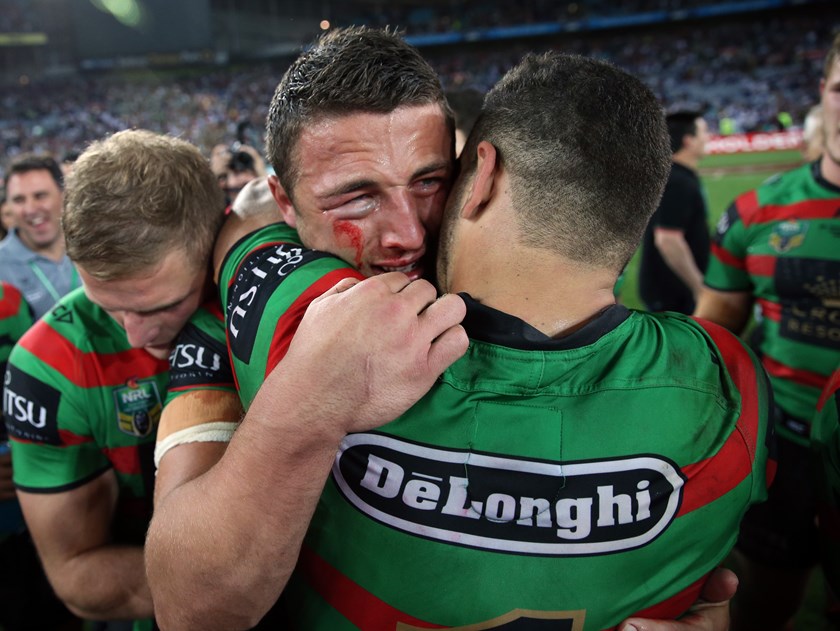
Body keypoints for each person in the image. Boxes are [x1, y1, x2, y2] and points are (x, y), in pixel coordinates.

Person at [146, 32, 770, 630]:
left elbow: (245, 236)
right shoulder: (723, 381)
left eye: (429, 181)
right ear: (286, 201)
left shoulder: (288, 310)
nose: (409, 235)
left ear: (477, 172)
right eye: (356, 198)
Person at [2, 130, 225, 631]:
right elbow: (79, 574)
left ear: (215, 244)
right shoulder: (47, 364)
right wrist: (230, 585)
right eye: (107, 306)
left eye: (163, 305)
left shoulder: (259, 289)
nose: (135, 332)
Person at [694, 32, 840, 631]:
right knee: (765, 603)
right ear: (822, 94)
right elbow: (714, 330)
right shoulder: (756, 211)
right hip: (786, 445)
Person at [639, 111, 711, 314]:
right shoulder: (678, 181)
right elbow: (668, 239)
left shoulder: (675, 176)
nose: (708, 138)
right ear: (689, 141)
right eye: (704, 132)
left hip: (670, 292)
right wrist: (699, 288)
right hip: (674, 295)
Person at [0, 155, 78, 320]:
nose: (30, 209)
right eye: (19, 200)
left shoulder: (95, 246)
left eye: (40, 196)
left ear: (63, 195)